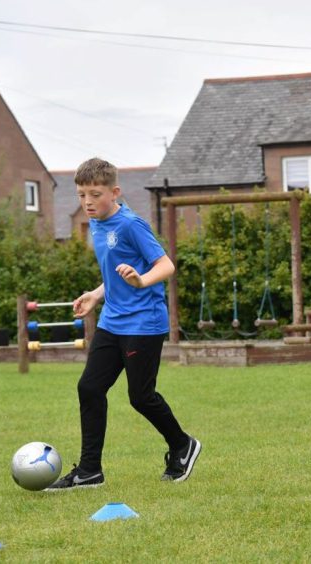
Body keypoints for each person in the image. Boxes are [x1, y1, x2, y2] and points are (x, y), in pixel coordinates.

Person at [46, 158, 201, 490]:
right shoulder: (97, 226)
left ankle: (182, 444)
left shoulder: (130, 224)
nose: (87, 202)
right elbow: (116, 271)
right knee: (89, 388)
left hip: (144, 324)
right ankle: (89, 471)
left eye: (95, 194)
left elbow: (166, 265)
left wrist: (142, 281)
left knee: (140, 397)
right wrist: (96, 295)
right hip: (112, 320)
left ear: (114, 192)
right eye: (81, 195)